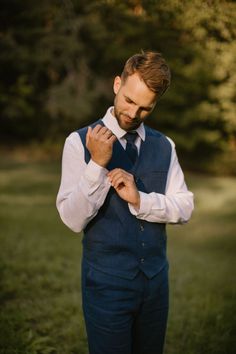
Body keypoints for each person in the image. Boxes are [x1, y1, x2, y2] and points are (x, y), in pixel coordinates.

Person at [56, 51, 194, 354]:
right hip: (106, 285)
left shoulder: (165, 145)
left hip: (156, 285)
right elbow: (71, 219)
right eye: (130, 100)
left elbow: (184, 206)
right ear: (117, 84)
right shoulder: (77, 142)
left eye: (145, 108)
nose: (133, 114)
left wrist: (141, 199)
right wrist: (97, 165)